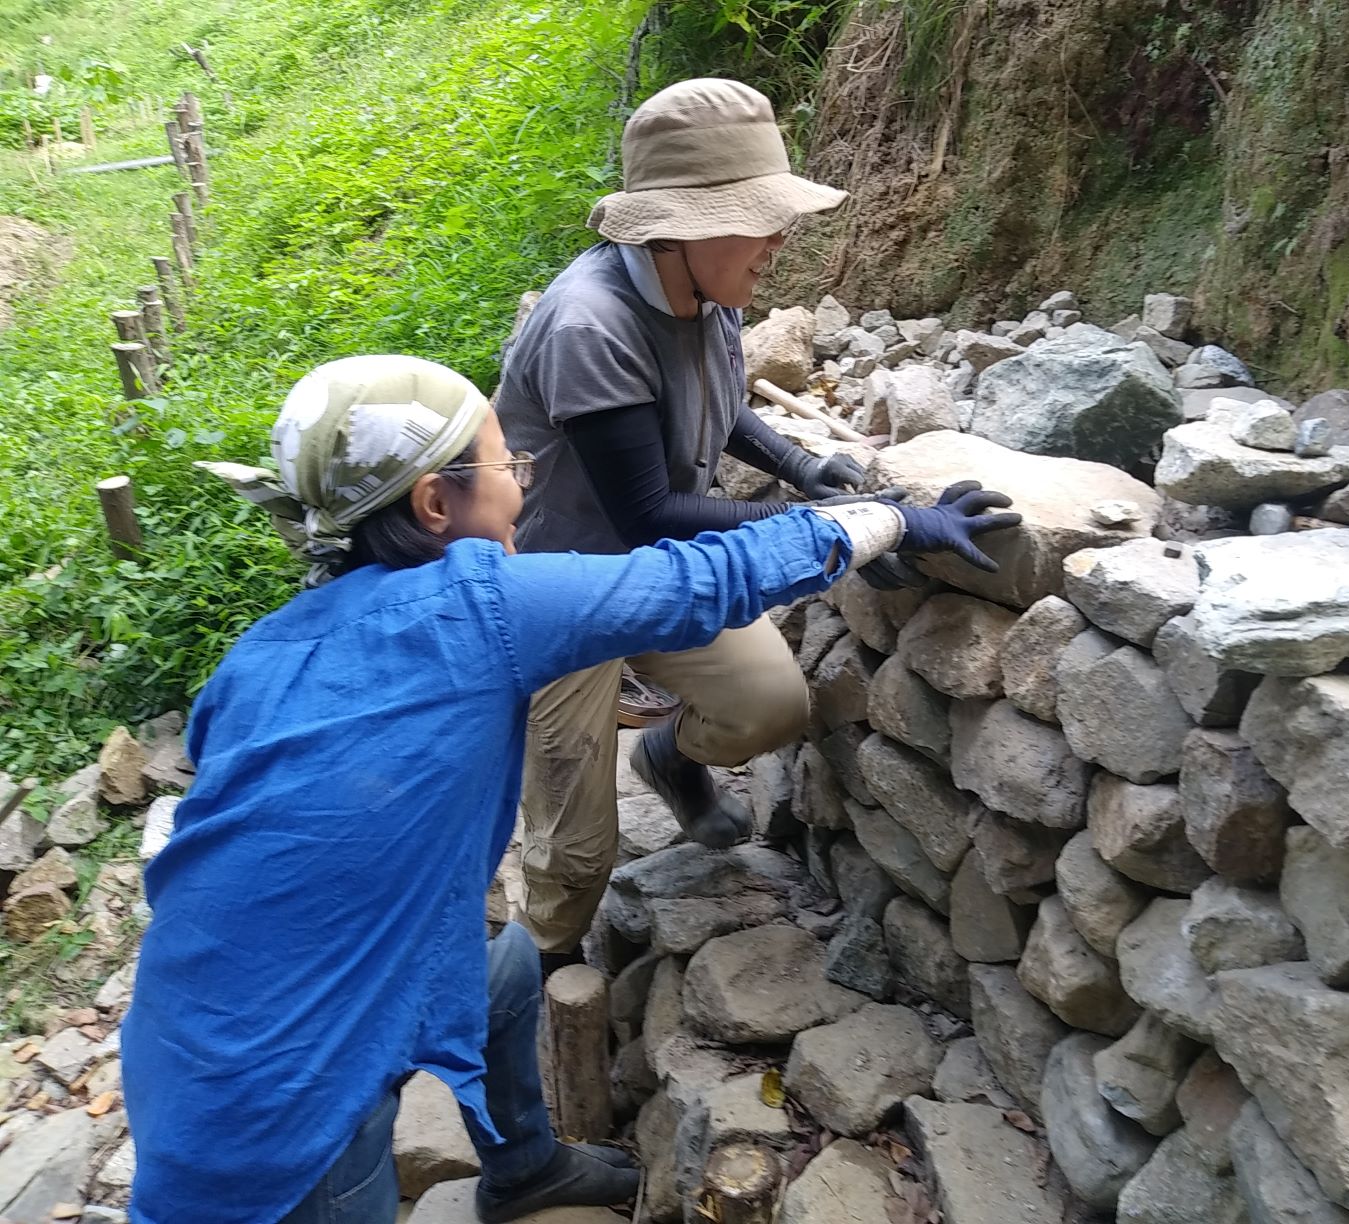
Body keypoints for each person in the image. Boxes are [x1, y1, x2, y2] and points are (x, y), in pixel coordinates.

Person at [119, 354, 1018, 1224]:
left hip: (191, 1028)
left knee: (507, 971)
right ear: (435, 504)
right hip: (278, 1105)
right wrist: (892, 521)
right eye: (506, 466)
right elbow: (703, 580)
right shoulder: (475, 606)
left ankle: (523, 1170)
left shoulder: (257, 658)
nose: (522, 485)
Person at [497, 78, 921, 970]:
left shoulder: (707, 287)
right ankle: (538, 979)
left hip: (660, 569)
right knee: (574, 849)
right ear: (678, 228)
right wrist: (818, 520)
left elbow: (719, 405)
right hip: (562, 590)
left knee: (769, 707)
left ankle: (668, 756)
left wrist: (801, 465)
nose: (779, 239)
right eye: (759, 219)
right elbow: (648, 511)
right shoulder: (590, 325)